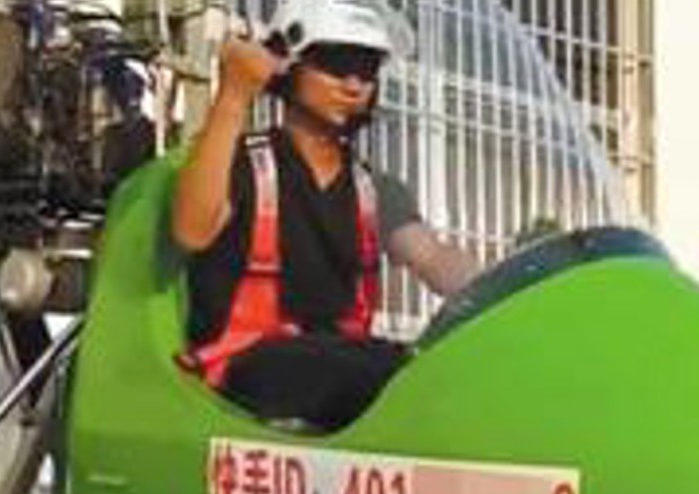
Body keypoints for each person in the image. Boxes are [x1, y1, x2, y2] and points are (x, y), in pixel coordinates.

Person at [171, 0, 476, 431]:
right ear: (290, 69)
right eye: (336, 64)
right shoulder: (244, 165)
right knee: (364, 373)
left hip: (337, 362)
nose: (353, 84)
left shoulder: (373, 190)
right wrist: (234, 95)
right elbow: (191, 231)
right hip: (246, 368)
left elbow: (430, 256)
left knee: (431, 372)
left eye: (366, 70)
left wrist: (498, 290)